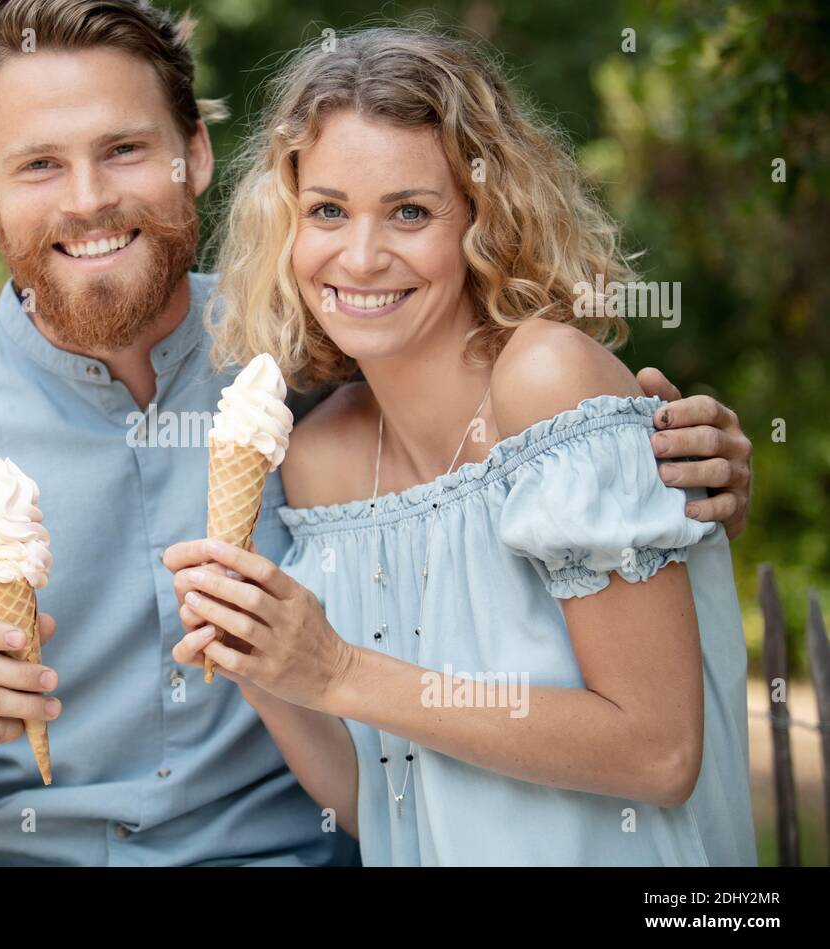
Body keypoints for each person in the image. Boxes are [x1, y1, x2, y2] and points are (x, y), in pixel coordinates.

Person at [0, 0, 753, 866]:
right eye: (40, 164)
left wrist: (670, 455)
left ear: (197, 157)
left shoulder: (319, 358)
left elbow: (532, 440)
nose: (89, 197)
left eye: (125, 149)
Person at [165, 26, 757, 865]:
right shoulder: (318, 457)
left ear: (486, 219)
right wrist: (271, 671)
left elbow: (659, 752)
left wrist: (338, 670)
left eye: (410, 212)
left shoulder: (547, 381)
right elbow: (382, 805)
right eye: (328, 210)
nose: (361, 256)